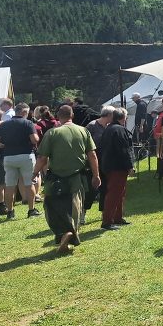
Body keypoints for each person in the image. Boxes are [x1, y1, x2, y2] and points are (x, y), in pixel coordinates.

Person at [34, 105, 100, 254]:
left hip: (55, 178)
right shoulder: (83, 131)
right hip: (77, 177)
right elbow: (92, 155)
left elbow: (42, 157)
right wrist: (96, 175)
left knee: (51, 206)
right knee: (75, 207)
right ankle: (71, 235)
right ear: (72, 116)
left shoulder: (52, 133)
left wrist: (34, 173)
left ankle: (63, 233)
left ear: (58, 116)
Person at [0, 103, 41, 220]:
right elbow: (34, 139)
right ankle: (31, 209)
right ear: (24, 112)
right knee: (29, 183)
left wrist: (2, 145)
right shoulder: (28, 123)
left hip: (9, 156)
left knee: (10, 185)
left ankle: (10, 211)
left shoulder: (4, 125)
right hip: (26, 155)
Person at [99, 107, 134, 230]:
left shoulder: (109, 128)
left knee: (120, 192)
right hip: (117, 167)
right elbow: (124, 150)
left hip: (109, 165)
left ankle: (118, 217)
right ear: (123, 118)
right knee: (114, 193)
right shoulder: (119, 130)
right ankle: (107, 221)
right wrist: (130, 166)